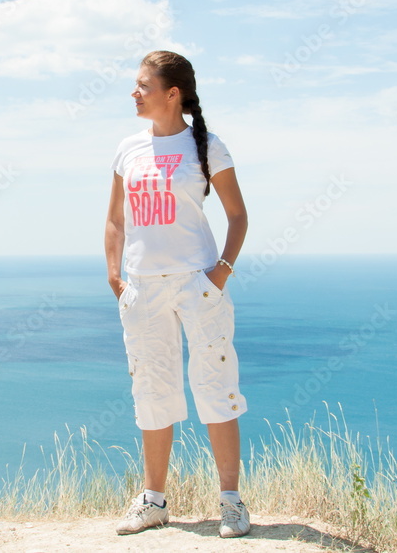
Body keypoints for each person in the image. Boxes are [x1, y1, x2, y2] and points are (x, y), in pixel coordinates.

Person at [104, 50, 250, 538]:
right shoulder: (128, 149)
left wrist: (220, 274)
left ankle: (230, 501)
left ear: (173, 93)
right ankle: (153, 501)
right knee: (151, 391)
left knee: (216, 387)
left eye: (142, 85)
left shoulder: (207, 147)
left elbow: (238, 216)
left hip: (197, 283)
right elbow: (115, 220)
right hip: (142, 288)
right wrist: (115, 276)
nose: (134, 92)